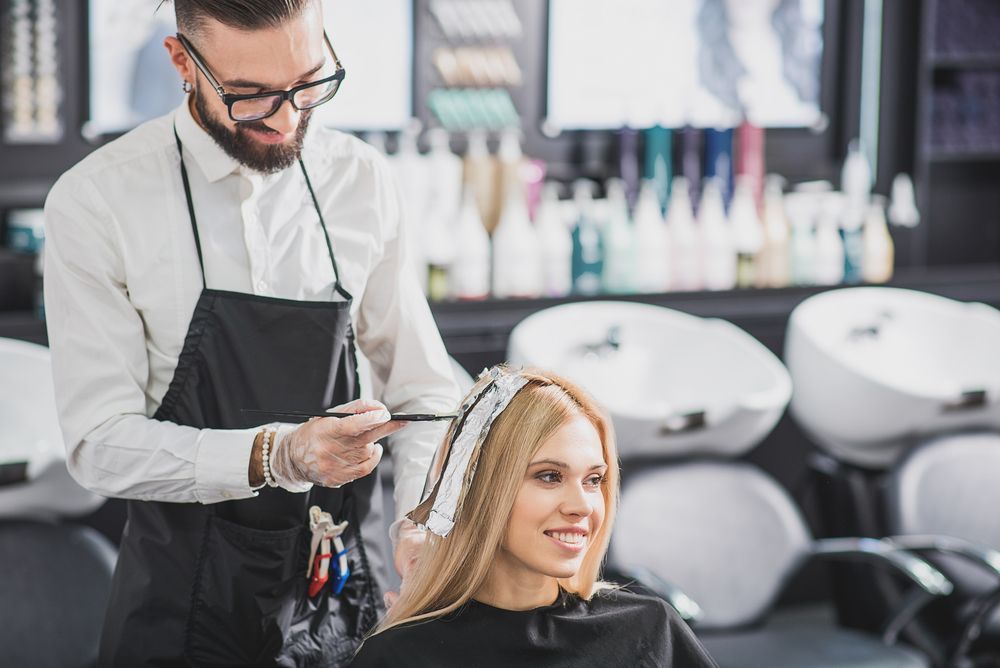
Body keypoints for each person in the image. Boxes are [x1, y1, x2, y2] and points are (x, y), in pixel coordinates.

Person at [42, 0, 458, 665]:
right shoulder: (99, 201)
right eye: (250, 97)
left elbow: (427, 393)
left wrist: (423, 524)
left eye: (309, 82)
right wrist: (279, 455)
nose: (289, 117)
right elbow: (99, 443)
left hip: (351, 594)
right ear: (183, 62)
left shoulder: (362, 181)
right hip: (182, 607)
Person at [351, 367, 718, 667]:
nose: (582, 505)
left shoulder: (649, 629)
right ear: (480, 490)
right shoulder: (399, 656)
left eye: (593, 480)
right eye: (549, 476)